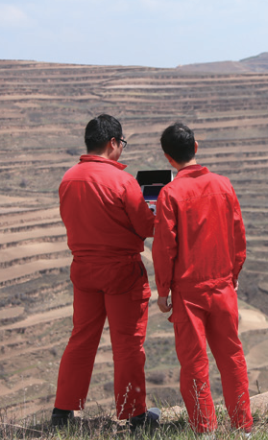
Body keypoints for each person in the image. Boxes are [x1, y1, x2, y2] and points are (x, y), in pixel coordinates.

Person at [52, 114, 159, 429]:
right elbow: (146, 227)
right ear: (113, 143)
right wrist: (157, 205)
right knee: (128, 344)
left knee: (81, 339)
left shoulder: (68, 178)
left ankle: (62, 412)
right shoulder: (123, 181)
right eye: (122, 143)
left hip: (84, 270)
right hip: (121, 272)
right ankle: (135, 416)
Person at [152, 122, 252, 435]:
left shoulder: (169, 194)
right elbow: (238, 235)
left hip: (188, 293)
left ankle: (205, 430)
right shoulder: (224, 185)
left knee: (194, 364)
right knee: (232, 356)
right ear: (196, 147)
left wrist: (163, 291)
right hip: (222, 287)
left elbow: (165, 248)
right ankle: (243, 427)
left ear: (168, 158)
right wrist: (233, 273)